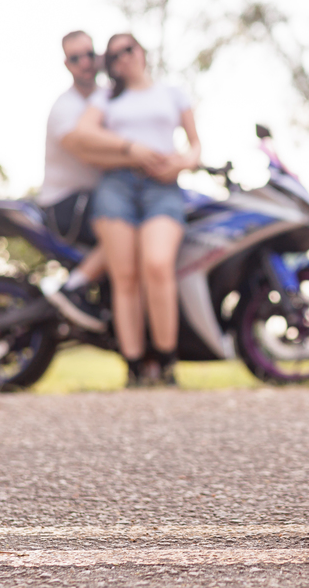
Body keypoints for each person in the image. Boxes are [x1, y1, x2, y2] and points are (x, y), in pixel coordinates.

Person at [73, 33, 201, 386]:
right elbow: (84, 133)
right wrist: (130, 148)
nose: (122, 58)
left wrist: (182, 165)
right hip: (117, 186)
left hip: (163, 188)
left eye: (128, 50)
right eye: (113, 56)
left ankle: (165, 361)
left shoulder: (172, 94)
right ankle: (132, 366)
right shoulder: (106, 98)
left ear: (141, 51)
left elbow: (195, 147)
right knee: (124, 277)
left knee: (157, 265)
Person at [34, 31, 114, 331]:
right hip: (66, 204)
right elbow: (89, 153)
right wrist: (145, 159)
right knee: (127, 223)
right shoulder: (64, 108)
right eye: (75, 58)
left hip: (95, 198)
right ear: (66, 64)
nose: (84, 63)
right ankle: (73, 287)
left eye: (89, 54)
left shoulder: (106, 96)